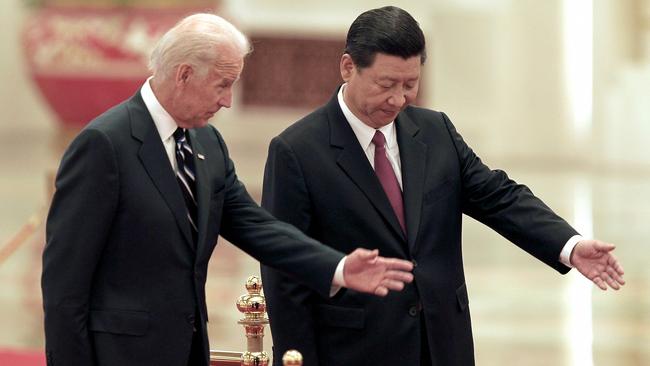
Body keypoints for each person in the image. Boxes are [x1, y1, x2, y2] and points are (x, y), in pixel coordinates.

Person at [41, 13, 415, 366]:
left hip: (187, 351)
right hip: (120, 355)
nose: (227, 100)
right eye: (222, 84)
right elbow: (64, 288)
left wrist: (338, 266)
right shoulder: (104, 145)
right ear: (184, 74)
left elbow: (256, 226)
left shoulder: (207, 143)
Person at [260, 6, 625, 366]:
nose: (399, 99)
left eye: (410, 84)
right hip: (355, 349)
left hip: (442, 344)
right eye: (386, 85)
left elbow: (499, 197)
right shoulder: (297, 151)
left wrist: (570, 246)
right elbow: (285, 275)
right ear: (348, 67)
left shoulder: (436, 132)